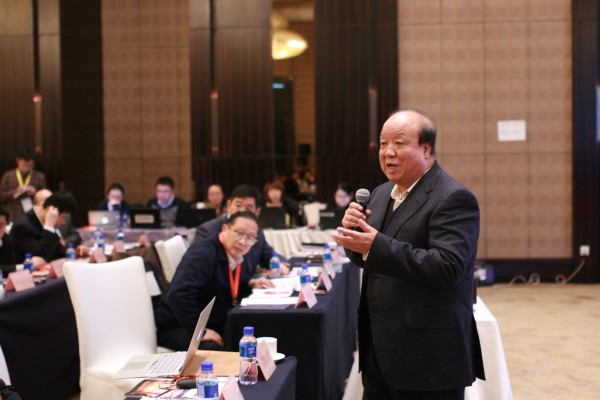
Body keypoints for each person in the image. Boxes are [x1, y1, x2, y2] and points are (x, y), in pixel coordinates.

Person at [332, 109, 485, 399]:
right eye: (383, 144)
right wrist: (354, 239)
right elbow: (370, 258)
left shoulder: (452, 197)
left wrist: (374, 245)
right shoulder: (381, 194)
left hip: (428, 358)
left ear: (426, 149)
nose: (388, 152)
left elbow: (447, 267)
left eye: (399, 143)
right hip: (379, 350)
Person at [154, 211, 274, 351]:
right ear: (225, 229)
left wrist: (249, 283)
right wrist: (200, 331)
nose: (243, 242)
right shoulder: (203, 254)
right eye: (239, 233)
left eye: (250, 238)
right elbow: (178, 294)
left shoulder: (234, 252)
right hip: (178, 324)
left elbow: (225, 280)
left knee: (257, 328)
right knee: (216, 345)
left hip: (212, 318)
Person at [194, 184, 286, 276]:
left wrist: (283, 265)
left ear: (257, 212)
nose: (242, 211)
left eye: (248, 208)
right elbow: (200, 267)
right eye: (238, 205)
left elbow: (270, 256)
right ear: (229, 205)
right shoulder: (208, 231)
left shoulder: (256, 233)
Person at [10, 190, 77, 263]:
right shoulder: (22, 227)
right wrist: (49, 226)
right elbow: (40, 258)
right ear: (51, 210)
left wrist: (76, 251)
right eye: (64, 217)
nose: (63, 222)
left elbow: (58, 251)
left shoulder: (48, 223)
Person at [0, 149, 47, 223]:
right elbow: (1, 196)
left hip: (33, 215)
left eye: (30, 165)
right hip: (12, 214)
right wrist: (16, 191)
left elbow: (45, 198)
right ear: (18, 160)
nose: (27, 168)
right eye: (24, 165)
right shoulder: (8, 176)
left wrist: (35, 193)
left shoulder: (39, 177)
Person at [0, 206, 45, 275]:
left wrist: (28, 263)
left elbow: (12, 264)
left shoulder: (6, 239)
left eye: (1, 225)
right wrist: (24, 266)